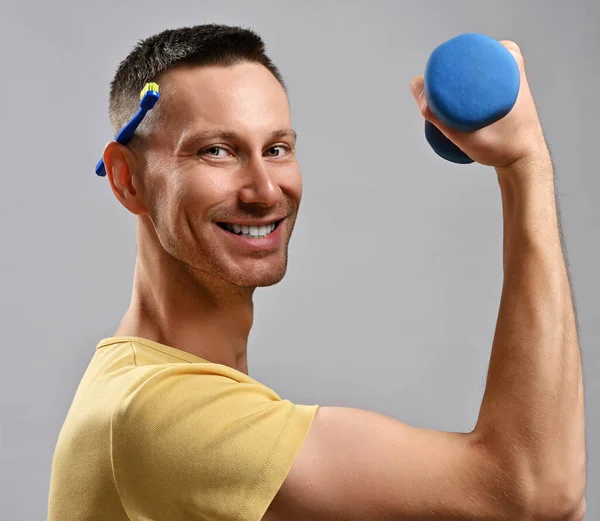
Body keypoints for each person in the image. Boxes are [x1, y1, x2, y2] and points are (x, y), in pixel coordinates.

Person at [47, 23, 586, 521]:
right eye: (217, 151)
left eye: (277, 149)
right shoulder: (157, 416)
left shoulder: (145, 385)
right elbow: (535, 489)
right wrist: (523, 165)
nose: (264, 190)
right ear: (126, 180)